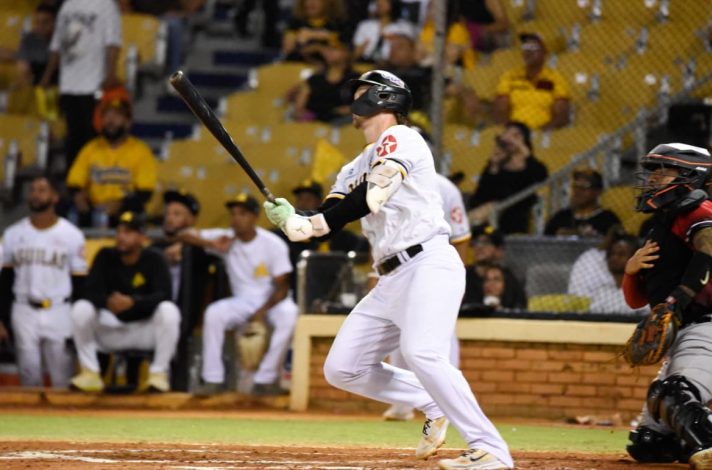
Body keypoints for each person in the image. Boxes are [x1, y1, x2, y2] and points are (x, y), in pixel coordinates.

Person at [263, 69, 513, 469]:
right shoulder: (353, 166)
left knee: (422, 351)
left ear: (384, 98)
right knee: (343, 368)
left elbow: (373, 195)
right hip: (390, 277)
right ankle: (431, 400)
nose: (354, 101)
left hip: (428, 262)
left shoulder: (403, 138)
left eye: (363, 92)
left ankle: (491, 450)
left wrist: (312, 224)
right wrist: (295, 219)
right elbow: (332, 215)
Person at [621, 143, 712, 469]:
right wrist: (630, 270)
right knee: (651, 444)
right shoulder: (661, 226)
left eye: (662, 170)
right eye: (652, 171)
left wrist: (676, 300)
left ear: (689, 176)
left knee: (674, 394)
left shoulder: (700, 209)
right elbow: (636, 300)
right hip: (688, 333)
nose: (652, 178)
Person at [182, 194, 299, 396]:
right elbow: (183, 234)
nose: (236, 218)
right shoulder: (226, 238)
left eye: (242, 214)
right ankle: (213, 379)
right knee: (214, 313)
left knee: (290, 313)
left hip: (272, 302)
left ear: (255, 217)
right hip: (242, 302)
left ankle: (265, 379)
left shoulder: (273, 243)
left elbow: (282, 288)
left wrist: (261, 312)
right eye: (233, 214)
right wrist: (212, 245)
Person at [382, 170, 471, 421]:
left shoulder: (445, 187)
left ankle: (449, 402)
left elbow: (461, 237)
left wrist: (456, 278)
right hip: (397, 267)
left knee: (441, 334)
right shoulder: (385, 182)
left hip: (435, 265)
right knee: (399, 329)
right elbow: (379, 235)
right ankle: (402, 404)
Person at [70, 212, 180, 393]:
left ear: (142, 237)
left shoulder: (155, 259)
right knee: (81, 308)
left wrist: (134, 302)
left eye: (128, 232)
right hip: (110, 329)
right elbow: (89, 291)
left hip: (144, 331)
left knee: (169, 310)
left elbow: (164, 295)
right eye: (119, 231)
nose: (121, 237)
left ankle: (159, 374)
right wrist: (108, 302)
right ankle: (90, 372)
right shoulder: (105, 256)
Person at [0, 174, 87, 388]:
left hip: (59, 308)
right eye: (32, 190)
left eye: (42, 190)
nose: (36, 195)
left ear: (55, 197)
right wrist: (2, 318)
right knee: (29, 375)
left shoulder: (71, 234)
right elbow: (6, 281)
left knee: (61, 377)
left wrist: (78, 321)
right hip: (24, 308)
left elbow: (80, 283)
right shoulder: (13, 234)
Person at [40, 0, 122, 167]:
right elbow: (57, 44)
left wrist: (110, 73)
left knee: (93, 135)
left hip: (93, 83)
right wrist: (47, 75)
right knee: (73, 136)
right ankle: (73, 178)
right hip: (68, 84)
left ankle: (94, 177)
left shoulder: (106, 5)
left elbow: (112, 42)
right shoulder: (68, 5)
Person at [65, 95, 157, 228]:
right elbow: (74, 182)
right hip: (95, 210)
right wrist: (78, 195)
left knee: (134, 209)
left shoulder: (141, 150)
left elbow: (145, 192)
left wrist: (121, 204)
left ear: (127, 122)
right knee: (70, 209)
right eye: (107, 115)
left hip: (126, 212)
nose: (110, 120)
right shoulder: (90, 148)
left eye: (117, 116)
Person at [469, 121, 548, 234]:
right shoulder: (498, 163)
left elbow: (542, 177)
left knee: (492, 208)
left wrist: (526, 154)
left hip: (515, 214)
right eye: (508, 134)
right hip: (489, 214)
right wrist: (494, 167)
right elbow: (481, 195)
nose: (511, 139)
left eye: (516, 135)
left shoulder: (531, 166)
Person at [492, 32, 571, 130]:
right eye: (526, 47)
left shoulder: (555, 79)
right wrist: (510, 131)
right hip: (514, 130)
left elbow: (562, 113)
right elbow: (500, 108)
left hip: (542, 130)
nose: (528, 51)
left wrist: (542, 132)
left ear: (544, 52)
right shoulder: (510, 76)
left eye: (533, 47)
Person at [569, 230, 646, 314]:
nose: (615, 258)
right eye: (612, 254)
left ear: (633, 258)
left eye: (621, 254)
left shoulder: (641, 292)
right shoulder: (602, 293)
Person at [293, 42, 359, 125]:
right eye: (328, 48)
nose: (329, 51)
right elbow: (298, 109)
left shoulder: (356, 79)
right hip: (313, 124)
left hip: (343, 125)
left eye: (335, 49)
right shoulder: (314, 79)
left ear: (347, 53)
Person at [544, 168, 622, 238]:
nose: (577, 191)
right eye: (575, 186)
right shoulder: (561, 217)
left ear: (597, 191)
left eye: (583, 187)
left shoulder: (608, 219)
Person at [462, 225, 524, 309]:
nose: (479, 247)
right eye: (476, 242)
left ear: (499, 251)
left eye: (486, 243)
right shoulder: (463, 276)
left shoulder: (509, 279)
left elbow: (519, 307)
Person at [282, 0, 346, 62]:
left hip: (327, 67)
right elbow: (288, 49)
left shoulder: (337, 24)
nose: (311, 2)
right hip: (297, 65)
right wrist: (320, 43)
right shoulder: (296, 23)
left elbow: (341, 53)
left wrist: (313, 37)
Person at [14, 4, 58, 87]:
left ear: (56, 22)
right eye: (37, 22)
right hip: (38, 88)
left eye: (45, 22)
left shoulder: (64, 38)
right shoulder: (29, 40)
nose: (40, 26)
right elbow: (23, 70)